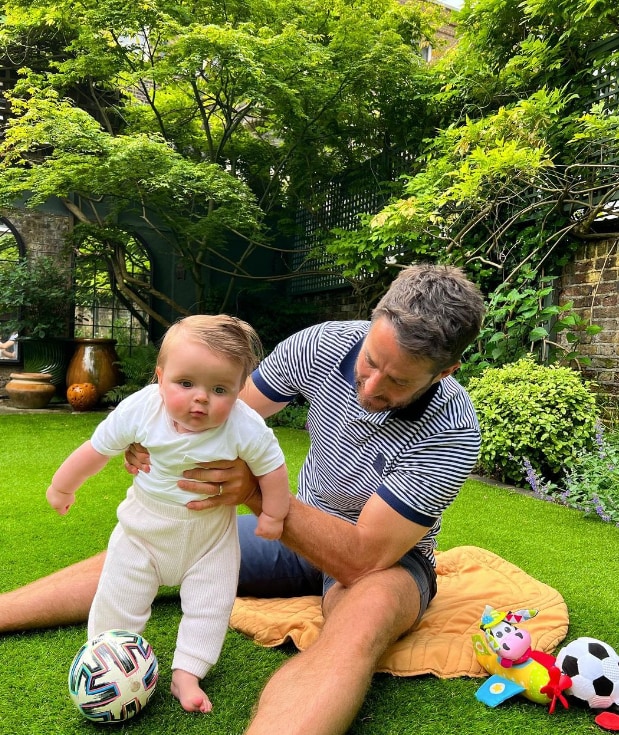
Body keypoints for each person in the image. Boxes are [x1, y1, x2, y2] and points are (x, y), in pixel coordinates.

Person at [0, 263, 485, 735]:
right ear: (372, 323)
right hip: (294, 527)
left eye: (398, 381)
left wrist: (254, 491)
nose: (372, 386)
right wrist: (159, 436)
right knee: (149, 542)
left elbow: (361, 557)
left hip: (386, 564)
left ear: (445, 372)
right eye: (371, 362)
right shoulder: (322, 345)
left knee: (358, 630)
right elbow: (226, 414)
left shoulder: (454, 429)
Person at [45, 314, 291, 714]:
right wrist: (63, 485)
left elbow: (272, 468)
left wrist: (274, 516)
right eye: (186, 383)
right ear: (159, 377)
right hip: (144, 530)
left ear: (239, 389)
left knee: (211, 603)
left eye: (219, 389)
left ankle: (188, 672)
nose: (201, 398)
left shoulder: (244, 425)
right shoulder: (142, 409)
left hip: (209, 537)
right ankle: (107, 660)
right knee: (118, 593)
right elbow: (98, 448)